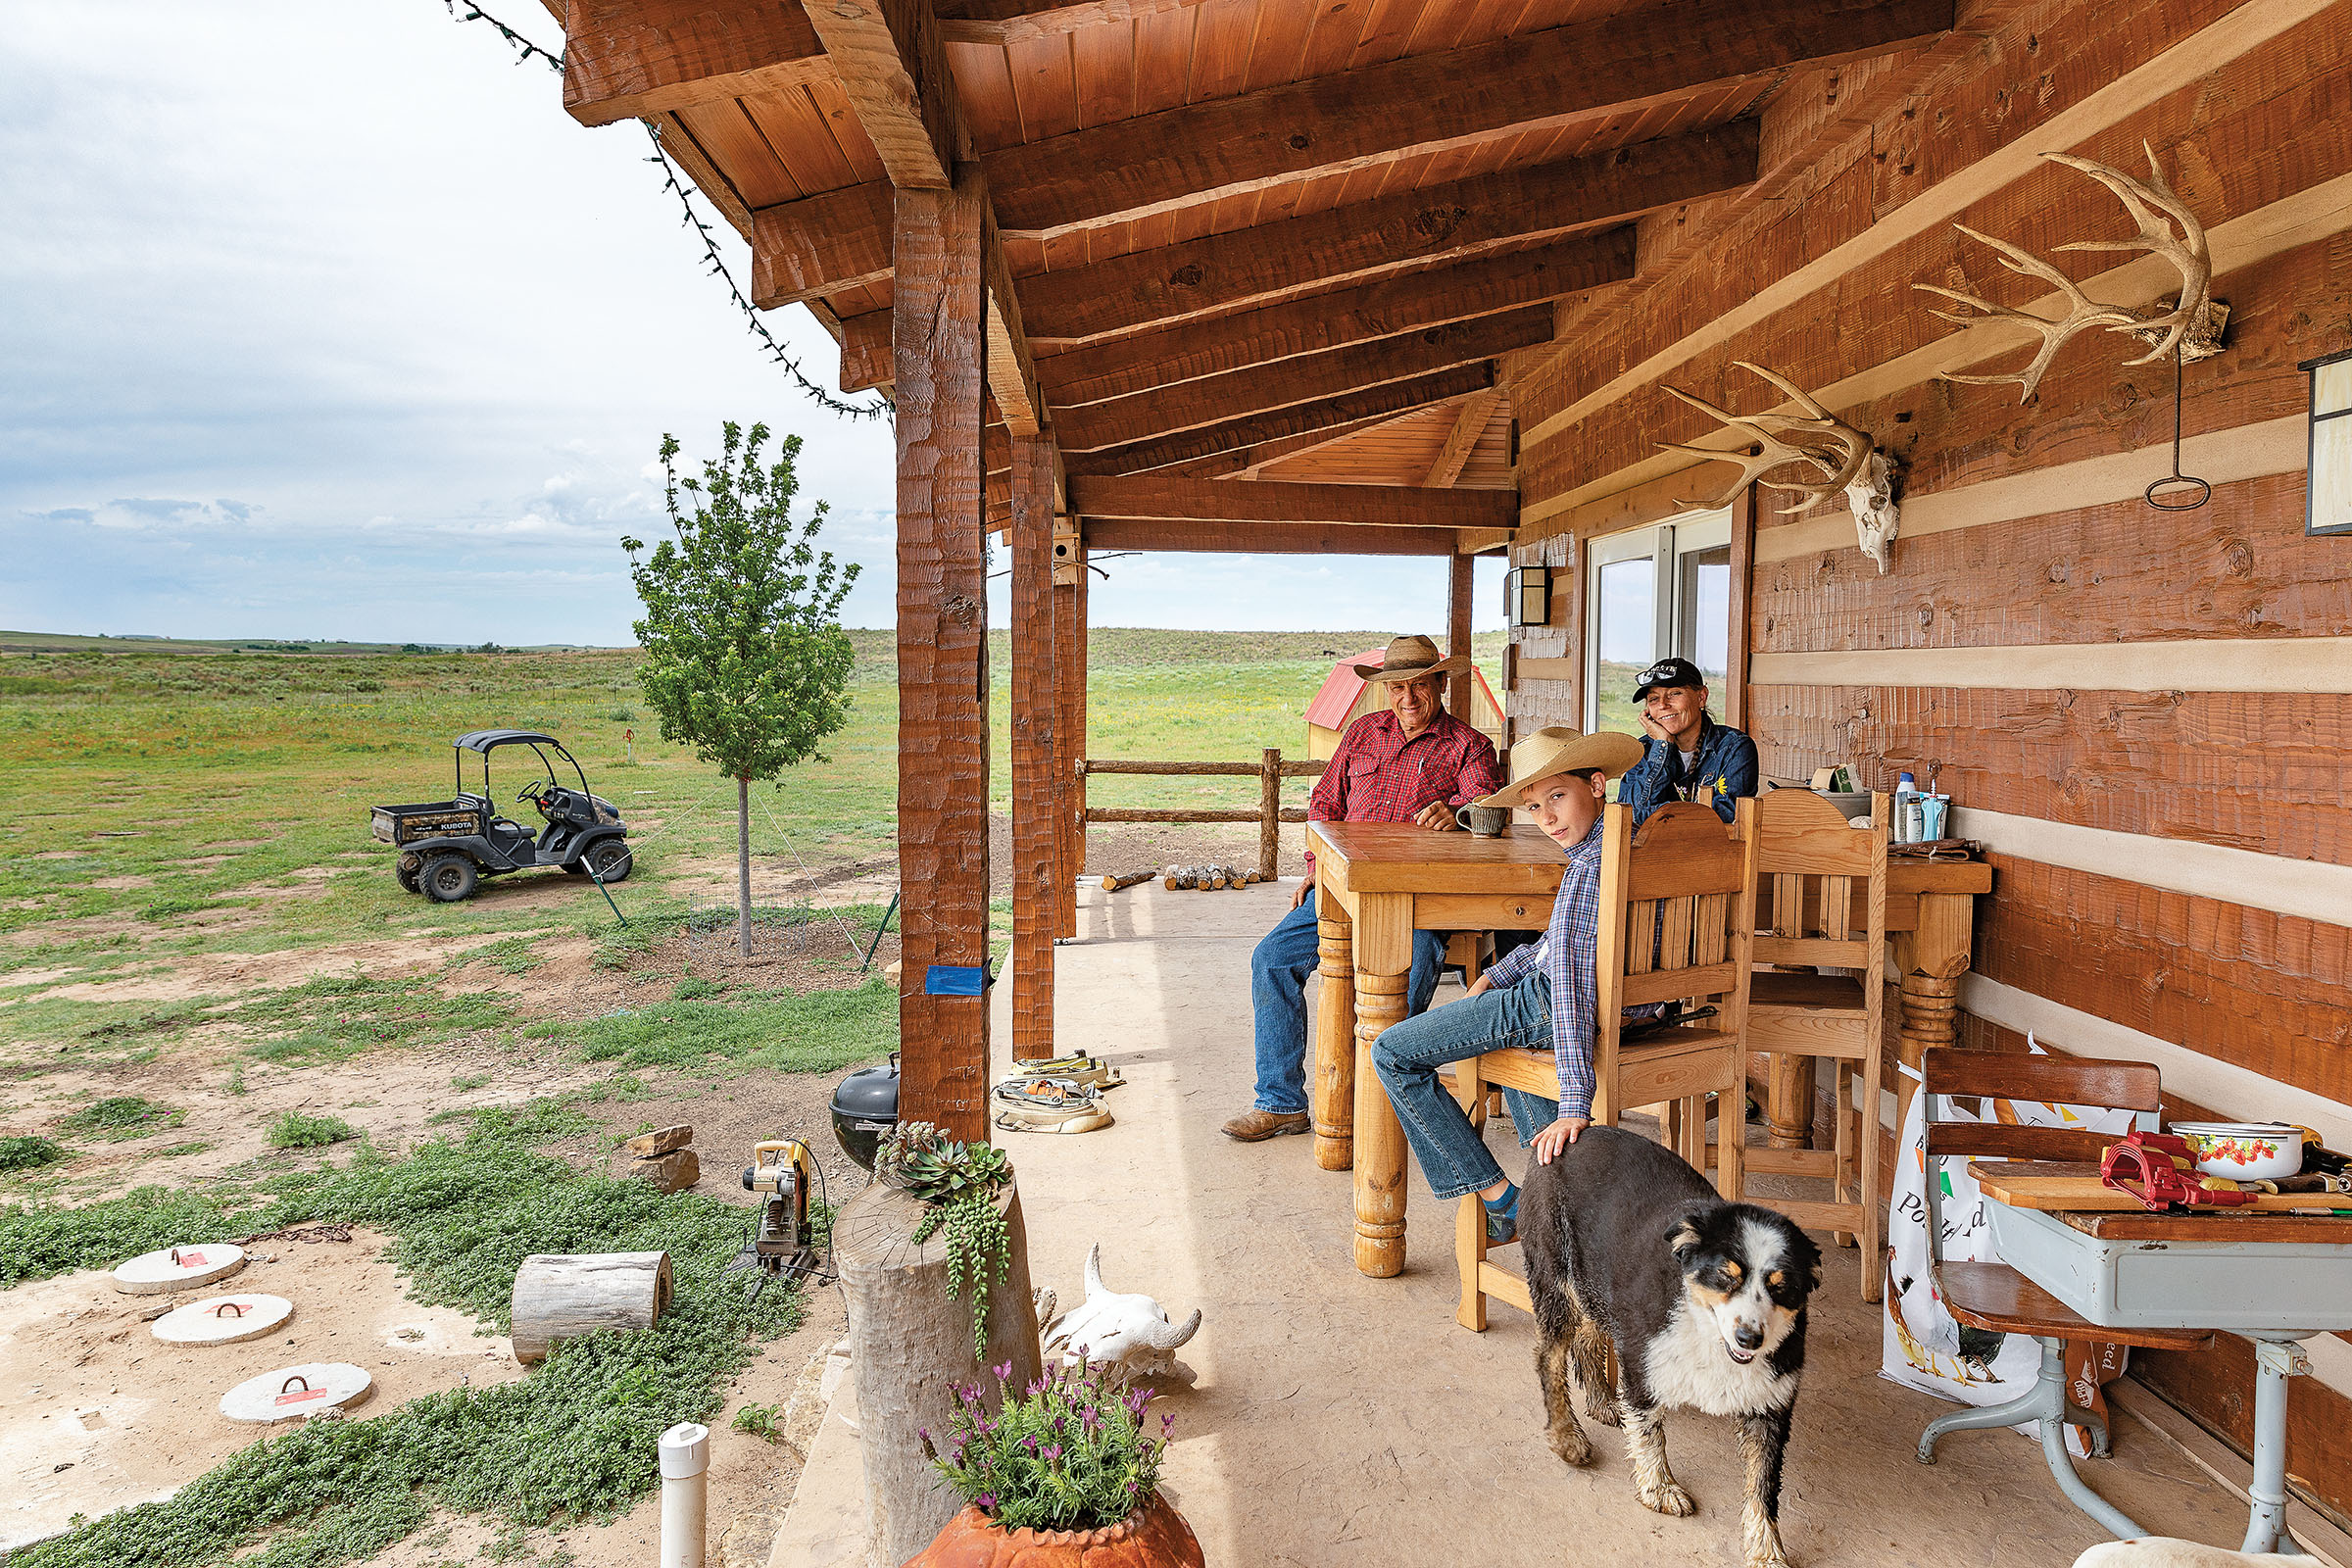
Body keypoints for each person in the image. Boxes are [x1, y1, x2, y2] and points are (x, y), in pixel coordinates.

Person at [1368, 726, 1648, 1244]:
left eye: (1557, 798)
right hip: (1632, 1008)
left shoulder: (1588, 870)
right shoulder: (1626, 849)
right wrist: (1495, 974)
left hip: (1556, 1006)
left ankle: (1504, 1199)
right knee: (1498, 1015)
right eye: (1534, 806)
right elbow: (1565, 943)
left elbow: (1567, 983)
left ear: (1597, 784)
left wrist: (1574, 1104)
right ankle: (1562, 1199)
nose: (1546, 819)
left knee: (1392, 1051)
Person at [1223, 634, 1501, 1143]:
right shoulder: (1360, 734)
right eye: (1397, 687)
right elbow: (1324, 805)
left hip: (1417, 902)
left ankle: (1384, 1099)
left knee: (1404, 978)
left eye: (1419, 685)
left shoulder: (1470, 746)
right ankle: (1281, 1102)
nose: (1408, 698)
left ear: (1441, 683)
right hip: (1343, 889)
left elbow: (1489, 812)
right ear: (1386, 690)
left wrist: (1460, 814)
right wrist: (1314, 868)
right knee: (1271, 959)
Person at [1617, 656, 1757, 825]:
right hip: (1651, 852)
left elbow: (1723, 819)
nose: (1662, 705)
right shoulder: (1642, 750)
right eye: (1653, 699)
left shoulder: (1734, 748)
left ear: (1701, 697)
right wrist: (1662, 745)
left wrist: (1657, 815)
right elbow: (1626, 817)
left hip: (1709, 852)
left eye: (1674, 693)